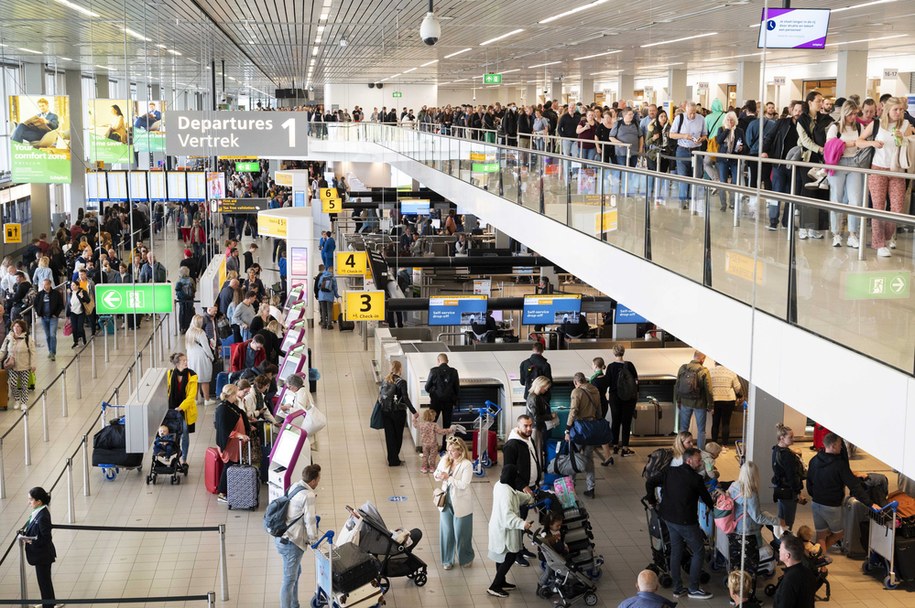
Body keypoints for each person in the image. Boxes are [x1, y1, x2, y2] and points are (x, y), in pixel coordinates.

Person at [645, 447, 714, 600]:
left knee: (676, 550)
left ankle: (677, 588)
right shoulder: (696, 479)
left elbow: (650, 482)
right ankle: (694, 588)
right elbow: (707, 499)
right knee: (698, 551)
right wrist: (714, 505)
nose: (700, 463)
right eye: (698, 460)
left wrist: (652, 500)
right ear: (689, 460)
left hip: (668, 518)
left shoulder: (669, 472)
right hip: (686, 522)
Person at [857, 96, 915, 258]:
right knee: (878, 207)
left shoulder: (905, 125)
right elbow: (859, 142)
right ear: (888, 110)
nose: (898, 112)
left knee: (897, 208)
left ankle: (887, 237)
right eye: (895, 109)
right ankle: (879, 243)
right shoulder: (876, 124)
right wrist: (872, 143)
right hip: (878, 169)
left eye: (901, 110)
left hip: (897, 170)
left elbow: (911, 144)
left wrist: (904, 139)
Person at [806, 432, 877, 550]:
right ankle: (819, 559)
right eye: (840, 445)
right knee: (839, 534)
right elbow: (854, 486)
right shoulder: (839, 465)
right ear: (833, 446)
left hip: (816, 503)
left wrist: (815, 495)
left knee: (821, 537)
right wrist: (870, 503)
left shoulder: (814, 460)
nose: (841, 447)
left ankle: (820, 564)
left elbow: (810, 482)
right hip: (831, 506)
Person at [727, 462, 786, 600]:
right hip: (748, 534)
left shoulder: (733, 486)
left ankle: (734, 596)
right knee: (750, 569)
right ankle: (748, 598)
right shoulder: (750, 492)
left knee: (736, 567)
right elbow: (757, 517)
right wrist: (778, 521)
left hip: (734, 531)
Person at [275, 464, 321, 608]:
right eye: (318, 478)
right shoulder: (308, 495)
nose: (319, 481)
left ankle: (294, 604)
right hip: (292, 542)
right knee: (288, 580)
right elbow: (310, 520)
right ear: (313, 481)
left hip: (280, 537)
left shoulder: (295, 486)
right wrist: (314, 540)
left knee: (296, 572)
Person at [487, 464, 534, 598]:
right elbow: (507, 516)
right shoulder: (506, 492)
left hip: (498, 527)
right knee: (510, 556)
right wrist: (522, 524)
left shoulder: (500, 485)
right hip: (504, 530)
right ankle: (494, 586)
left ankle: (501, 582)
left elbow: (516, 495)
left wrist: (529, 498)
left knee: (501, 556)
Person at [502, 414, 540, 566]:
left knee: (523, 520)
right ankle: (515, 552)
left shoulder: (528, 439)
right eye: (526, 426)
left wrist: (536, 482)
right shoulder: (512, 445)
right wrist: (523, 486)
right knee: (518, 521)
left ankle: (521, 547)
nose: (529, 428)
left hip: (529, 486)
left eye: (531, 425)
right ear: (518, 427)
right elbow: (508, 470)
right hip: (518, 491)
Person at [434, 436, 475, 570]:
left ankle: (466, 558)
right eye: (448, 450)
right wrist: (439, 475)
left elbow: (464, 484)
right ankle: (447, 560)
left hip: (462, 502)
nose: (450, 453)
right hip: (446, 501)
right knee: (447, 532)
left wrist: (449, 478)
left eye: (452, 451)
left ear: (460, 450)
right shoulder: (445, 459)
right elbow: (436, 474)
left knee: (462, 533)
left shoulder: (466, 465)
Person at [20, 487, 61, 608]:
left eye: (31, 499)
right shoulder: (39, 511)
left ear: (39, 501)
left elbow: (46, 538)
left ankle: (48, 605)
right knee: (44, 581)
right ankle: (48, 603)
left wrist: (31, 541)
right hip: (41, 554)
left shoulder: (42, 516)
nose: (29, 502)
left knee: (44, 582)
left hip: (43, 555)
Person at [564, 372, 601, 498]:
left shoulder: (577, 392)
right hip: (592, 427)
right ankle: (591, 488)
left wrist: (567, 429)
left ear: (576, 382)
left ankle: (571, 486)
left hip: (580, 429)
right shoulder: (595, 390)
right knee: (589, 458)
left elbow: (573, 411)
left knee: (574, 456)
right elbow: (599, 409)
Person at [214, 384, 251, 503]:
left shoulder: (230, 406)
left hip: (235, 444)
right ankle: (222, 492)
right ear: (231, 394)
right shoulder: (222, 409)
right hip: (229, 444)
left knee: (232, 466)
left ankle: (229, 489)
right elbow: (224, 429)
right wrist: (240, 435)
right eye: (236, 392)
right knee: (228, 466)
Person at [602, 344, 639, 461]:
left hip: (615, 397)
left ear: (614, 353)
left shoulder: (611, 367)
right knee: (626, 422)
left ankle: (615, 446)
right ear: (623, 352)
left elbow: (607, 382)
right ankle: (625, 447)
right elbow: (636, 381)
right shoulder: (630, 365)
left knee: (616, 421)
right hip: (629, 398)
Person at [670, 101, 708, 206]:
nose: (692, 115)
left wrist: (701, 139)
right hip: (682, 150)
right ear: (686, 110)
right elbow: (671, 134)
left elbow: (705, 134)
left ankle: (692, 198)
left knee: (695, 175)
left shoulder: (701, 119)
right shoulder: (679, 118)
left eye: (694, 113)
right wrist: (684, 136)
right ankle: (683, 200)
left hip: (696, 150)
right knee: (683, 176)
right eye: (690, 113)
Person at [673, 351, 714, 449]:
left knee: (683, 428)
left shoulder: (683, 368)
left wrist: (678, 400)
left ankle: (681, 448)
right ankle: (700, 451)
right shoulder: (704, 370)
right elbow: (709, 389)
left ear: (694, 357)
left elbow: (677, 385)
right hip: (700, 404)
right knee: (701, 431)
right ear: (703, 359)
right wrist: (710, 405)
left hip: (685, 402)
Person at [378, 360, 415, 466]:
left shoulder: (385, 380)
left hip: (386, 411)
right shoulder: (401, 382)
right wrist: (414, 412)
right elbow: (405, 398)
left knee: (389, 436)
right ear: (400, 369)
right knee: (398, 436)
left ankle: (391, 459)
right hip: (398, 413)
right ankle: (395, 459)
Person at [772, 423, 807, 529]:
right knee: (788, 522)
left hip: (780, 489)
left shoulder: (776, 450)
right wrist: (798, 493)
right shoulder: (787, 455)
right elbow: (792, 476)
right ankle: (785, 543)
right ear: (782, 438)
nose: (793, 439)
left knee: (781, 518)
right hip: (788, 491)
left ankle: (779, 541)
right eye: (790, 437)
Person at [166, 353, 198, 469]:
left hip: (184, 410)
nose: (186, 362)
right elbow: (167, 391)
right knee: (172, 433)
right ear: (177, 363)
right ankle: (171, 453)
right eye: (184, 360)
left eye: (186, 360)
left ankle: (184, 458)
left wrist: (181, 407)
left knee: (184, 432)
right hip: (172, 409)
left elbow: (191, 396)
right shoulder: (170, 374)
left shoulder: (192, 375)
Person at [424, 353, 460, 451]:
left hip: (436, 402)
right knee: (447, 425)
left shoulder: (433, 371)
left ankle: (430, 447)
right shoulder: (454, 372)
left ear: (438, 361)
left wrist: (433, 391)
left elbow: (427, 387)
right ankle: (445, 448)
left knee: (431, 424)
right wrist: (455, 401)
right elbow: (457, 388)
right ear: (447, 361)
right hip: (449, 402)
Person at [0, 319, 36, 411]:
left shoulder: (27, 338)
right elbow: (3, 351)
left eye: (18, 326)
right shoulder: (9, 338)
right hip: (12, 366)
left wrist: (33, 364)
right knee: (13, 383)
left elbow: (33, 352)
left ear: (22, 328)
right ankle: (17, 399)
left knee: (24, 385)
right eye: (15, 326)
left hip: (24, 365)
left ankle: (24, 402)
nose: (16, 328)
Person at [774, 533, 817, 608]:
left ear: (788, 555)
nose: (779, 549)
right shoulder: (808, 572)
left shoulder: (789, 580)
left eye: (781, 548)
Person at [709, 361, 742, 448]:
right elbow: (738, 388)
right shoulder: (731, 372)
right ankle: (724, 445)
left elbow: (707, 386)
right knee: (726, 423)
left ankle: (714, 444)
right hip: (728, 400)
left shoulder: (710, 371)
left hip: (715, 400)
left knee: (715, 423)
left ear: (715, 362)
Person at [413, 408, 455, 473]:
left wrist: (414, 418)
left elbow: (415, 425)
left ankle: (424, 467)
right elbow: (441, 432)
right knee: (433, 456)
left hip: (425, 444)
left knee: (425, 456)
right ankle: (432, 468)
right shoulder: (434, 425)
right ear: (433, 417)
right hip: (433, 444)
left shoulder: (421, 424)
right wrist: (450, 430)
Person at [186, 315, 215, 406]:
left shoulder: (188, 332)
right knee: (204, 379)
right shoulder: (200, 332)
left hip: (191, 357)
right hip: (201, 358)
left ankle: (195, 399)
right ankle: (207, 399)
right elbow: (206, 347)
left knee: (195, 379)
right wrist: (211, 357)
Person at [525, 375, 553, 466]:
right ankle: (538, 474)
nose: (546, 390)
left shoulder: (535, 396)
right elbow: (536, 417)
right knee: (537, 451)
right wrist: (550, 416)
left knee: (537, 450)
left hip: (536, 427)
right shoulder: (534, 398)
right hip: (535, 428)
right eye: (546, 387)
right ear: (541, 385)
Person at [37, 278, 63, 361]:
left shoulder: (56, 294)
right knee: (47, 335)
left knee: (52, 334)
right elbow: (36, 304)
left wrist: (56, 314)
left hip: (53, 318)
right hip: (44, 318)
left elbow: (60, 304)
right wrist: (39, 313)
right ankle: (50, 350)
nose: (45, 286)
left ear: (50, 284)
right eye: (44, 284)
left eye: (47, 284)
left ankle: (53, 352)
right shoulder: (40, 294)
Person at [67, 280, 90, 347]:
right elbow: (68, 303)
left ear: (77, 286)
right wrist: (67, 313)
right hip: (72, 312)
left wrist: (82, 297)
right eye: (71, 285)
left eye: (73, 285)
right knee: (74, 328)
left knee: (80, 327)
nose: (72, 287)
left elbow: (88, 301)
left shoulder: (82, 292)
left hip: (81, 312)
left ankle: (84, 339)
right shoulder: (70, 293)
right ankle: (75, 341)